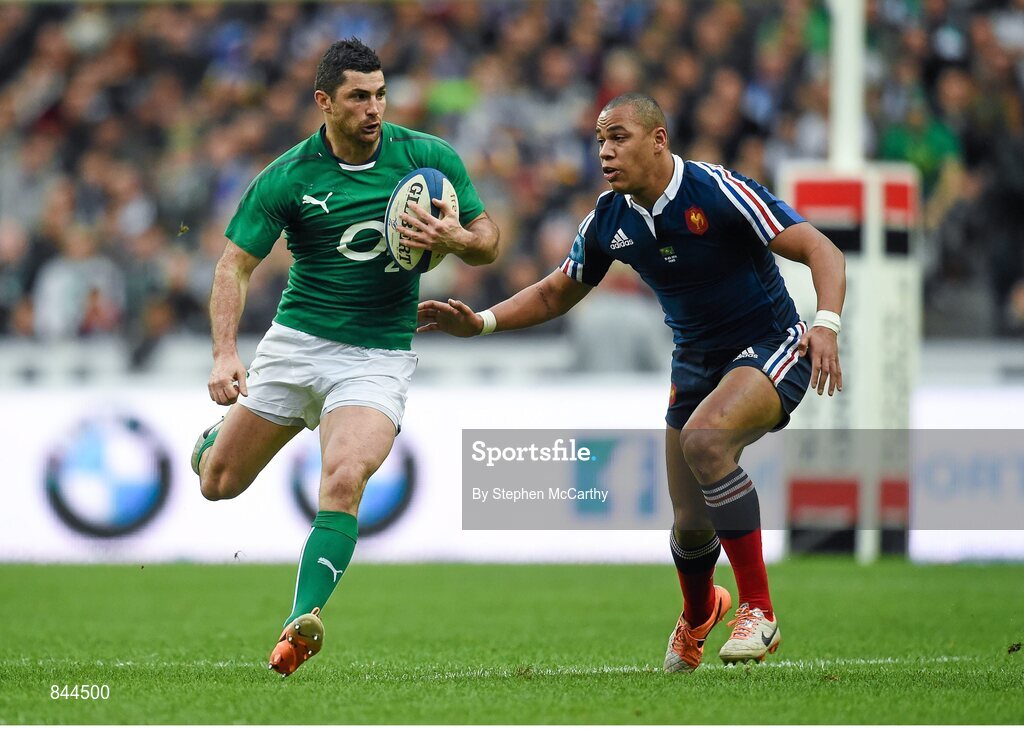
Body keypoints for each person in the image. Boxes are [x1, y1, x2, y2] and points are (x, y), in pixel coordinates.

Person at [418, 93, 844, 672]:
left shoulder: (717, 191)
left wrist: (826, 323)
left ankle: (759, 613)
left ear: (658, 140)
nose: (605, 152)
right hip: (696, 362)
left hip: (772, 343)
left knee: (705, 442)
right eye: (599, 141)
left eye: (618, 138)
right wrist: (485, 322)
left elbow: (820, 248)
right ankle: (699, 613)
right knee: (690, 524)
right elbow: (555, 292)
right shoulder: (609, 218)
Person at [190, 38, 499, 677]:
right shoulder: (289, 175)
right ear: (324, 102)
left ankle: (299, 623)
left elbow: (489, 240)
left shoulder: (427, 158)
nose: (374, 108)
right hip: (297, 344)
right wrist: (225, 354)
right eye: (359, 97)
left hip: (378, 353)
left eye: (381, 94)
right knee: (218, 483)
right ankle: (213, 442)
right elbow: (234, 265)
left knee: (344, 476)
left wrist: (459, 238)